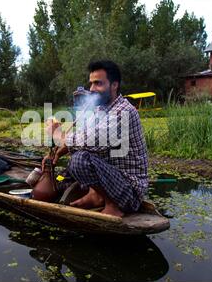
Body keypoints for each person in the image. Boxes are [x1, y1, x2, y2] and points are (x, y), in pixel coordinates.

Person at [43, 60, 148, 217]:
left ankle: (113, 205)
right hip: (112, 181)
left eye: (98, 83)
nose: (92, 89)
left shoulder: (123, 112)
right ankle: (96, 195)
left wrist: (57, 134)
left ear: (114, 85)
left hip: (128, 191)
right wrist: (57, 154)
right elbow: (81, 137)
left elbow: (90, 141)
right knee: (66, 173)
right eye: (91, 83)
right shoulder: (100, 110)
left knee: (79, 160)